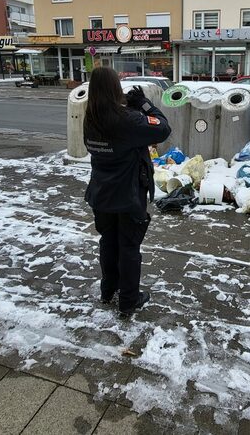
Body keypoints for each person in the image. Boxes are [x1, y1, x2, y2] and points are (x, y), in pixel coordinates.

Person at [83, 67, 171, 316]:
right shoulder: (128, 120)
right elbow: (162, 128)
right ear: (114, 89)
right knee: (129, 248)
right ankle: (129, 301)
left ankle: (108, 290)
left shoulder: (91, 118)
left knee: (108, 243)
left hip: (101, 194)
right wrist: (143, 105)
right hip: (128, 195)